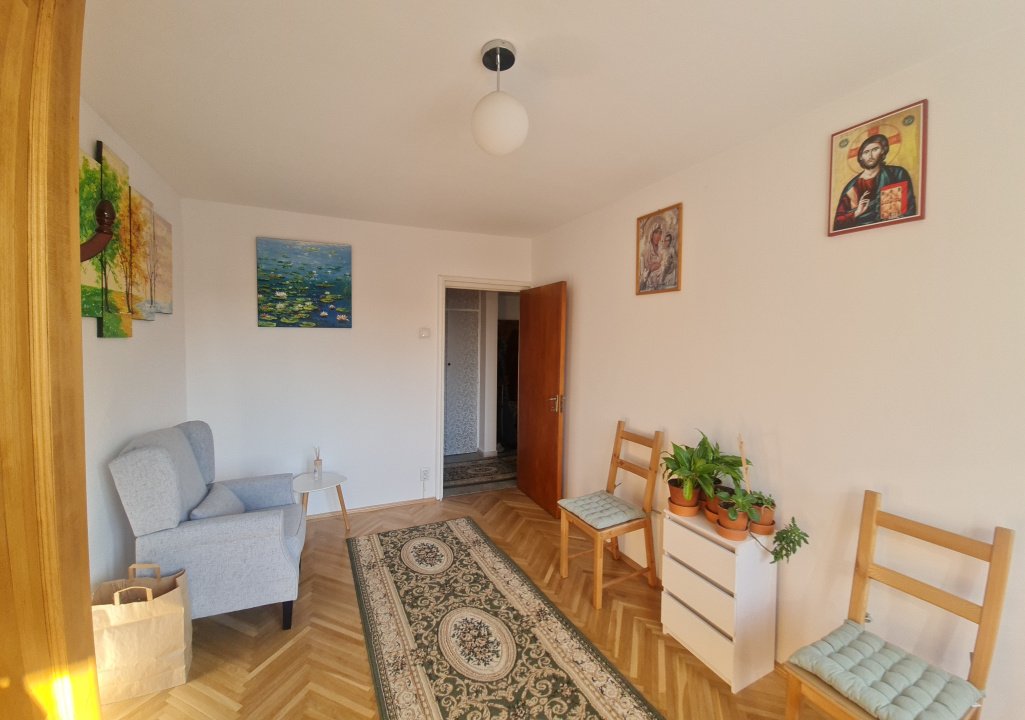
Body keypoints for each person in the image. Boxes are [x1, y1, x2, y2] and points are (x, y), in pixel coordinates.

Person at [832, 134, 916, 231]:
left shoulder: (896, 174)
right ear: (861, 157)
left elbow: (908, 209)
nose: (870, 155)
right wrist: (857, 212)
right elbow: (838, 223)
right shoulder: (852, 187)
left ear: (883, 151)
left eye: (875, 149)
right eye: (866, 152)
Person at [639, 223, 676, 292]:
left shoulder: (662, 248)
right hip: (649, 282)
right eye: (656, 233)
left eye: (660, 233)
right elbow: (644, 272)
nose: (658, 236)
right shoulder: (646, 250)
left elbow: (669, 263)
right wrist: (651, 268)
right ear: (651, 234)